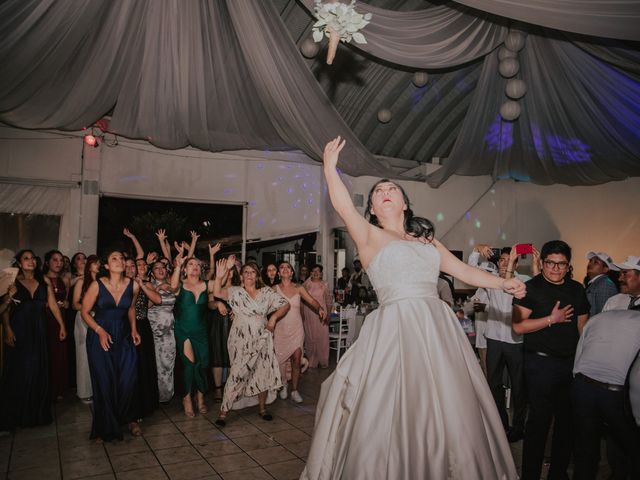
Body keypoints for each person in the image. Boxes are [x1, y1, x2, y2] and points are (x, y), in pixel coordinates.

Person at [302, 137, 525, 479]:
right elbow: (344, 207)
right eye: (378, 191)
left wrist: (502, 283)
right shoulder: (368, 236)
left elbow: (463, 271)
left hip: (436, 326)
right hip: (394, 327)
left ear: (405, 204)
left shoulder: (427, 241)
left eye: (392, 188)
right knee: (393, 405)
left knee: (450, 406)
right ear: (373, 209)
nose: (386, 191)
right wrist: (330, 169)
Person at [512, 240, 590, 480]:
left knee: (566, 424)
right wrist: (550, 319)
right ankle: (531, 475)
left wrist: (583, 365)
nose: (555, 269)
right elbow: (517, 326)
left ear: (568, 266)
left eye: (561, 264)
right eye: (550, 263)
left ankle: (558, 473)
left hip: (569, 364)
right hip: (539, 364)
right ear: (542, 263)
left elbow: (583, 329)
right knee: (538, 424)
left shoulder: (577, 289)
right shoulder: (529, 288)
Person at [213, 257, 290, 426]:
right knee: (236, 373)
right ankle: (223, 412)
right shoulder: (235, 292)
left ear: (257, 276)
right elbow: (217, 293)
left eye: (252, 272)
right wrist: (219, 276)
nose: (249, 274)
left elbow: (285, 304)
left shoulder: (266, 292)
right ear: (241, 276)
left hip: (262, 337)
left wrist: (274, 318)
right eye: (246, 272)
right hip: (240, 339)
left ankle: (262, 409)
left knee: (261, 371)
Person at [0, 249, 67, 430]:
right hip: (19, 330)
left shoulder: (43, 281)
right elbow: (4, 309)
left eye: (32, 258)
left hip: (38, 331)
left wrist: (61, 325)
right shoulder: (12, 281)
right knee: (19, 371)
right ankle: (17, 414)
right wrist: (7, 329)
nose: (30, 261)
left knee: (38, 369)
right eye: (26, 258)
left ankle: (35, 414)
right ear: (20, 263)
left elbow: (52, 304)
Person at [572, 308, 640, 480]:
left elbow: (579, 352)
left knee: (585, 448)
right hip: (615, 394)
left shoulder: (600, 317)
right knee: (634, 449)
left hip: (582, 385)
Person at [81, 249, 142, 440]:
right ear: (106, 266)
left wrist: (133, 329)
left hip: (123, 336)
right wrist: (99, 331)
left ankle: (126, 417)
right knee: (104, 382)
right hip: (101, 336)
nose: (119, 260)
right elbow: (84, 311)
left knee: (128, 380)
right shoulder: (97, 286)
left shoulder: (133, 286)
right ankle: (105, 426)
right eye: (113, 258)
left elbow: (130, 308)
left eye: (121, 258)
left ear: (125, 265)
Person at [470, 248, 527, 443]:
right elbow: (471, 270)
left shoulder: (523, 281)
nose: (503, 263)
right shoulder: (491, 280)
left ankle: (519, 427)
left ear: (516, 264)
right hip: (493, 339)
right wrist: (476, 250)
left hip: (515, 341)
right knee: (494, 384)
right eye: (501, 260)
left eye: (508, 260)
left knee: (519, 387)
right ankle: (502, 425)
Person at [274, 261, 325, 403]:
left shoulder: (299, 288)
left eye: (288, 267)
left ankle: (295, 390)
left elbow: (312, 300)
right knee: (281, 361)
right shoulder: (274, 289)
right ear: (279, 273)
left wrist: (319, 308)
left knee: (296, 359)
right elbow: (264, 306)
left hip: (296, 329)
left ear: (291, 273)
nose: (285, 269)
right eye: (282, 267)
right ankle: (284, 384)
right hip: (280, 330)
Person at [170, 253, 213, 417]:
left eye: (197, 265)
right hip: (183, 330)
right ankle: (187, 398)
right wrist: (178, 265)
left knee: (203, 364)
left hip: (201, 330)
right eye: (190, 265)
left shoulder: (207, 284)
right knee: (189, 364)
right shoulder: (180, 284)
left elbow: (223, 287)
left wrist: (224, 271)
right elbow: (173, 287)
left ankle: (200, 397)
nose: (194, 267)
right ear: (185, 269)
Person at [72, 254, 100, 403]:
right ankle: (84, 392)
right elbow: (74, 304)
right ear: (90, 265)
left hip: (100, 319)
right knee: (83, 355)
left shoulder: (103, 282)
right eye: (96, 263)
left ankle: (97, 388)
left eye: (99, 263)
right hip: (83, 318)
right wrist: (88, 309)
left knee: (98, 354)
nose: (98, 265)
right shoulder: (82, 282)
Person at [148, 259, 177, 403]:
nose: (160, 270)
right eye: (156, 268)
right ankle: (155, 396)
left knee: (168, 362)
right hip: (153, 328)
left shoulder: (172, 284)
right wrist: (157, 289)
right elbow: (145, 306)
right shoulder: (149, 285)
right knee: (154, 363)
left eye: (163, 268)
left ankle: (166, 395)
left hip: (169, 328)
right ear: (152, 273)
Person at [43, 249, 70, 400]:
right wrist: (47, 304)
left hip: (61, 318)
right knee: (48, 352)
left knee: (60, 353)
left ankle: (59, 388)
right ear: (47, 262)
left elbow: (66, 299)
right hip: (47, 319)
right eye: (55, 260)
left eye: (61, 260)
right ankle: (49, 388)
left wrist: (65, 303)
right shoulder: (42, 279)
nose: (59, 263)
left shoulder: (63, 280)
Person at [302, 264, 332, 369]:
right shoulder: (306, 284)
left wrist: (328, 314)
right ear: (310, 273)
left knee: (322, 336)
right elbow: (301, 300)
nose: (315, 273)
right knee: (310, 337)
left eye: (318, 271)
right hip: (308, 313)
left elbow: (328, 301)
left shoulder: (325, 285)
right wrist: (301, 314)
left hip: (321, 314)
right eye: (313, 271)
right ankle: (312, 360)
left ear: (321, 273)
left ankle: (323, 360)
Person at [585, 251, 619, 316]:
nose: (590, 264)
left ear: (605, 269)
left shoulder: (605, 284)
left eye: (596, 262)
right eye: (590, 261)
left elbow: (602, 315)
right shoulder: (597, 283)